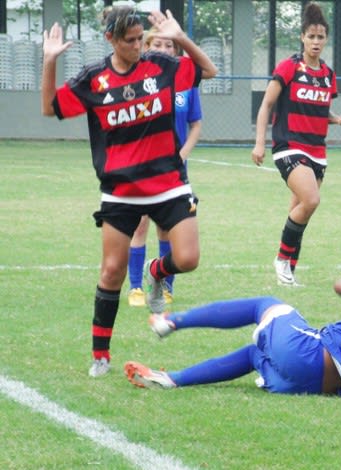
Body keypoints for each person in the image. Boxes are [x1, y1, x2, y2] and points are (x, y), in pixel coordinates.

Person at [41, 7, 218, 377]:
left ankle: (156, 270)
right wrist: (49, 62)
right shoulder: (95, 80)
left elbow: (209, 70)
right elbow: (50, 107)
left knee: (188, 259)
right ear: (111, 40)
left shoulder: (161, 67)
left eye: (141, 38)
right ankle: (100, 355)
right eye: (130, 41)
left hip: (169, 183)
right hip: (121, 192)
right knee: (111, 272)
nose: (138, 46)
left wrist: (182, 38)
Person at [124, 272, 341, 396]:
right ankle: (172, 379)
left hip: (308, 356)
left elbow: (340, 285)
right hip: (311, 387)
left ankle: (172, 321)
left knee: (265, 304)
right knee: (254, 355)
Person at [251, 2, 341, 287]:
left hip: (318, 151)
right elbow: (266, 105)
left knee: (301, 210)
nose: (316, 41)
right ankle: (282, 260)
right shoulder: (289, 68)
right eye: (311, 36)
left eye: (321, 37)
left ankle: (288, 275)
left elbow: (318, 111)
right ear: (302, 37)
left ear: (326, 39)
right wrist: (259, 143)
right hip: (289, 147)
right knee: (311, 200)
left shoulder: (328, 76)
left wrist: (337, 120)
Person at [127, 28, 203, 308]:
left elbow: (196, 124)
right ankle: (135, 287)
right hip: (142, 165)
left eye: (169, 45)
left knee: (166, 228)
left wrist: (183, 153)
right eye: (156, 44)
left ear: (176, 51)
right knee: (139, 225)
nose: (162, 49)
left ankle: (164, 285)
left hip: (173, 170)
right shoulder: (137, 81)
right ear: (146, 47)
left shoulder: (186, 83)